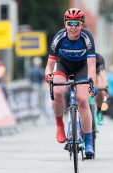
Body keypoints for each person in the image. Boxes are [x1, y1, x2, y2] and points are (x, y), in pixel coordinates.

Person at [45, 8, 97, 157]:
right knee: (57, 92)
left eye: (77, 23)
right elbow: (49, 65)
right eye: (70, 23)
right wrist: (48, 75)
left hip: (82, 67)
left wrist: (91, 81)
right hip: (63, 65)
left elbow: (91, 65)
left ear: (82, 25)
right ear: (65, 24)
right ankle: (60, 124)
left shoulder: (87, 38)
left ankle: (88, 142)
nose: (73, 27)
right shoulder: (59, 37)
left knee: (82, 100)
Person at [94, 53, 108, 125]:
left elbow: (103, 76)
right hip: (85, 75)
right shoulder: (82, 57)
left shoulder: (99, 59)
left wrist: (105, 88)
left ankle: (99, 111)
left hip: (96, 76)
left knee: (101, 90)